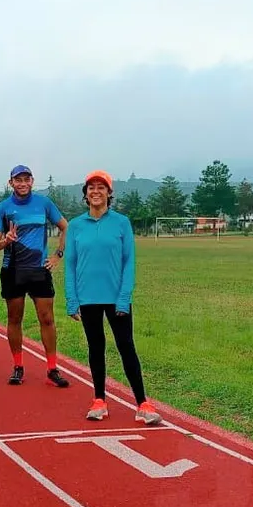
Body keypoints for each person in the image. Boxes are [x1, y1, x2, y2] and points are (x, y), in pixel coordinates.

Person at [64, 170, 162, 425]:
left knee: (126, 347)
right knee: (96, 348)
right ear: (85, 194)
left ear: (109, 193)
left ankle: (142, 403)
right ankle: (99, 400)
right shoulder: (75, 226)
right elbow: (71, 265)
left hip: (116, 297)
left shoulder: (121, 223)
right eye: (91, 188)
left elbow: (128, 262)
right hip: (88, 298)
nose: (96, 191)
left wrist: (123, 297)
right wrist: (72, 299)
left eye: (101, 187)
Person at [0, 164, 71, 388]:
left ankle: (52, 368)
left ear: (32, 181)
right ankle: (18, 366)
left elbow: (65, 226)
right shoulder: (2, 208)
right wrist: (6, 241)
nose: (22, 183)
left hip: (39, 271)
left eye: (26, 179)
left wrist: (57, 255)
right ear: (11, 183)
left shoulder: (44, 204)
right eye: (18, 180)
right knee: (15, 319)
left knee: (47, 319)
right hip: (13, 271)